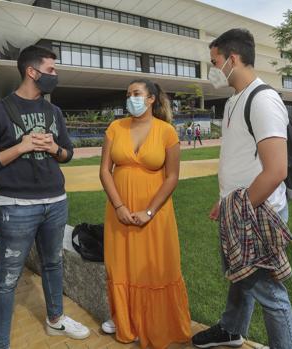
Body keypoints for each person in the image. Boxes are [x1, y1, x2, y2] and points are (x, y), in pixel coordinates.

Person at [0, 45, 90, 349]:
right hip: (15, 208)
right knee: (7, 279)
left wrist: (54, 149)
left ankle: (55, 320)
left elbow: (68, 154)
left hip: (56, 203)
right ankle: (1, 344)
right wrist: (20, 147)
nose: (55, 75)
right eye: (51, 70)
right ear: (31, 72)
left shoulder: (54, 112)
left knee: (53, 264)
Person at [191, 28, 292, 349]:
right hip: (238, 207)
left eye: (214, 61)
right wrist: (224, 202)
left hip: (257, 212)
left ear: (232, 59)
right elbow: (241, 160)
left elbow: (276, 170)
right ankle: (232, 328)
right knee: (241, 274)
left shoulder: (263, 100)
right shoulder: (235, 100)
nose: (212, 69)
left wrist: (236, 210)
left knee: (271, 293)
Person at [99, 79, 192, 348]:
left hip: (156, 213)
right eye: (128, 94)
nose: (131, 99)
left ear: (151, 99)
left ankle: (156, 323)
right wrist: (119, 207)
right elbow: (105, 170)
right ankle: (124, 321)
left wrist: (149, 211)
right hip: (120, 212)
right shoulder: (115, 128)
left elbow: (172, 177)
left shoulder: (167, 132)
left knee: (155, 267)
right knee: (122, 265)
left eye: (136, 94)